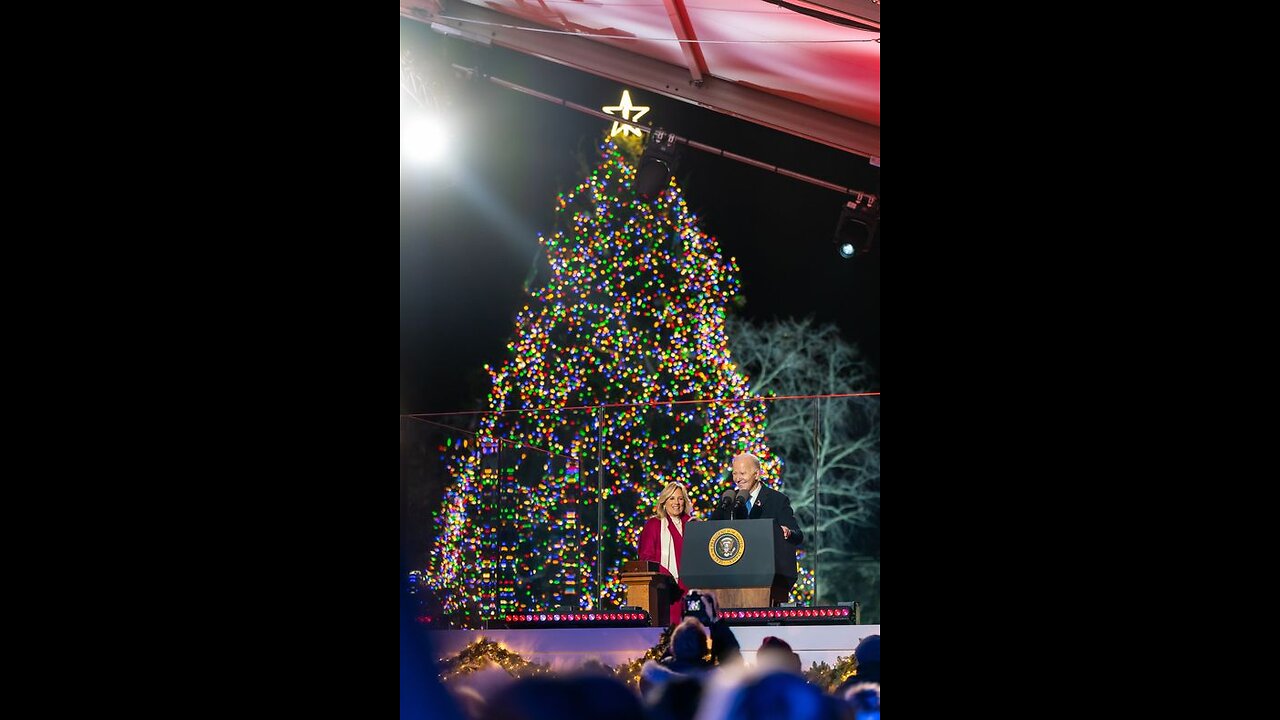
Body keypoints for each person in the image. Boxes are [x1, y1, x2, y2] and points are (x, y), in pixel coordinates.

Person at [709, 452, 803, 546]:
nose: (737, 479)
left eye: (742, 473)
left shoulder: (777, 499)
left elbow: (798, 535)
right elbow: (709, 528)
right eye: (734, 473)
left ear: (757, 474)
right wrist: (697, 524)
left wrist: (788, 532)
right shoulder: (729, 499)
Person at [638, 481, 696, 624]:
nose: (676, 502)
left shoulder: (693, 524)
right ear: (664, 501)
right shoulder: (654, 525)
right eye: (672, 498)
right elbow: (646, 558)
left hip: (691, 588)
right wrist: (666, 577)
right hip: (665, 588)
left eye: (680, 498)